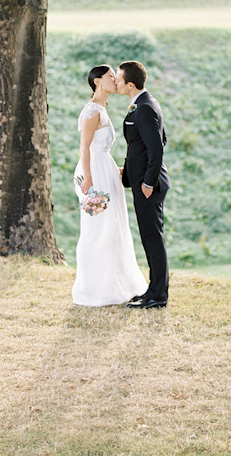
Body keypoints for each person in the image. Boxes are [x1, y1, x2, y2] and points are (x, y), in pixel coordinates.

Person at [72, 65, 148, 307]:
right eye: (110, 77)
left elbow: (100, 149)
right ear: (97, 82)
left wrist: (117, 170)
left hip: (105, 171)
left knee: (114, 228)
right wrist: (89, 178)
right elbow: (85, 147)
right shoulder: (92, 110)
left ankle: (117, 284)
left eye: (115, 77)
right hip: (93, 173)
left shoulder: (102, 109)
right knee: (97, 229)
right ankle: (93, 288)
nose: (115, 81)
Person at [116, 60, 170, 309]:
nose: (115, 82)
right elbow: (155, 141)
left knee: (152, 238)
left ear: (130, 84)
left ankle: (158, 295)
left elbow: (156, 148)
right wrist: (128, 173)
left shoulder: (145, 107)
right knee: (150, 237)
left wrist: (148, 181)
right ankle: (153, 290)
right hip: (141, 181)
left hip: (149, 186)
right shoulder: (145, 103)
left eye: (118, 78)